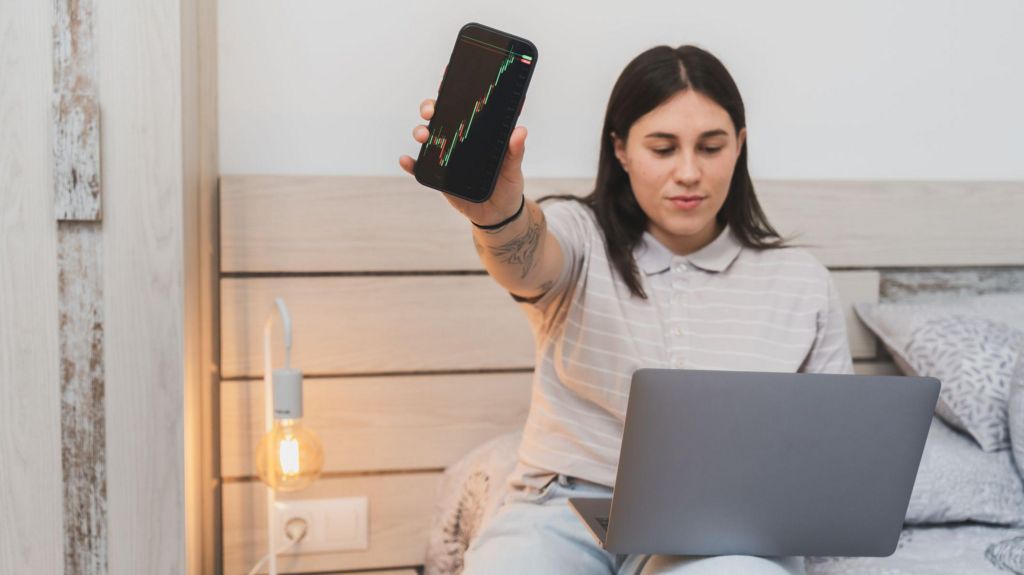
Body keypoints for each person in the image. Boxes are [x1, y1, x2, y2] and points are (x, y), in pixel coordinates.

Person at [399, 44, 853, 575]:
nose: (689, 172)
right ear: (621, 149)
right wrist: (498, 215)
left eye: (711, 147)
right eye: (663, 148)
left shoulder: (801, 282)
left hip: (721, 527)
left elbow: (833, 451)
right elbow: (526, 261)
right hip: (563, 509)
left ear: (740, 147)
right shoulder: (578, 235)